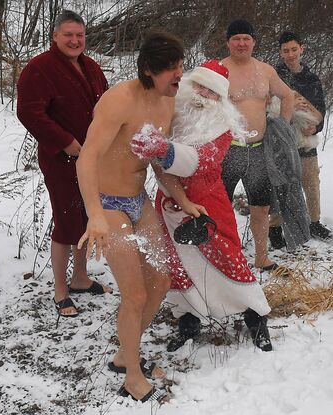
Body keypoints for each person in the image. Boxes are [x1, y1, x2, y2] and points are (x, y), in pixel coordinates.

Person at [131, 60, 272, 352]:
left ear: (220, 98)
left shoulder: (223, 127)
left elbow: (202, 162)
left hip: (209, 202)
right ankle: (188, 319)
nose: (202, 95)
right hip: (169, 203)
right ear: (188, 85)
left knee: (227, 256)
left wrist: (164, 150)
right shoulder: (171, 114)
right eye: (199, 86)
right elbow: (157, 161)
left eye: (211, 91)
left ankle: (255, 316)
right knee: (177, 262)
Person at [76, 30, 186, 403]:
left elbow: (157, 158)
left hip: (138, 200)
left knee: (161, 283)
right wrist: (95, 215)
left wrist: (182, 198)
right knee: (135, 294)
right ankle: (132, 374)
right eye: (173, 69)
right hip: (108, 205)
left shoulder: (168, 102)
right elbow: (87, 157)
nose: (179, 75)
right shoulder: (119, 100)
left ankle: (127, 351)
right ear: (149, 70)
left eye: (181, 66)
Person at [17, 10, 111, 318]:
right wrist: (65, 141)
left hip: (93, 157)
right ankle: (60, 288)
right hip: (61, 158)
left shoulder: (91, 67)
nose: (74, 41)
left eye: (80, 35)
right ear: (55, 36)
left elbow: (107, 107)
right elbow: (29, 112)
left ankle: (81, 278)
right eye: (68, 35)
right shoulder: (39, 68)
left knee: (86, 217)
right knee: (66, 220)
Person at [220, 19, 294, 271]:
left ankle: (261, 257)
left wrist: (281, 130)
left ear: (253, 42)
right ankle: (224, 258)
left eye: (246, 38)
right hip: (228, 150)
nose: (241, 43)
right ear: (228, 42)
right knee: (221, 209)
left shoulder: (265, 70)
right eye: (236, 38)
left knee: (260, 208)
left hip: (258, 150)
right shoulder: (217, 70)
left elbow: (287, 96)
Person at [269, 31, 329, 243]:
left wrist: (316, 127)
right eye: (286, 51)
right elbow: (268, 108)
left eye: (294, 49)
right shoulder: (274, 76)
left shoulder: (311, 78)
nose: (291, 54)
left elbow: (320, 108)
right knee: (278, 183)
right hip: (281, 142)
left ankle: (314, 223)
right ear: (280, 52)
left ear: (302, 48)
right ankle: (274, 229)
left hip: (306, 142)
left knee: (311, 182)